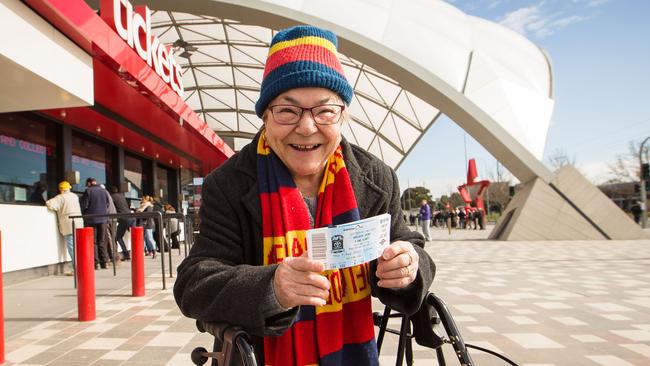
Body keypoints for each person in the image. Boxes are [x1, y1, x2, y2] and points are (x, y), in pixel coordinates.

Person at [174, 25, 435, 366]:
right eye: (288, 110)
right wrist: (271, 287)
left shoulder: (375, 178)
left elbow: (410, 246)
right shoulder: (229, 184)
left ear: (343, 116)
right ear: (266, 116)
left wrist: (409, 266)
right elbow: (194, 282)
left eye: (325, 110)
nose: (307, 127)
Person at [45, 181, 82, 274]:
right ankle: (83, 266)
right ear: (69, 188)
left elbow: (49, 204)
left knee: (72, 247)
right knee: (79, 246)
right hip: (79, 222)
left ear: (60, 189)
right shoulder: (75, 196)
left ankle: (77, 269)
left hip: (68, 224)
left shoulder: (60, 197)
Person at [80, 177, 110, 269]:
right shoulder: (104, 191)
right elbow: (107, 204)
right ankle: (104, 262)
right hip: (103, 220)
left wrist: (83, 214)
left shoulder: (88, 191)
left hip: (91, 219)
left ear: (89, 183)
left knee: (93, 242)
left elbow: (84, 205)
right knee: (102, 241)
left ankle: (96, 263)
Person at [111, 186, 133, 260]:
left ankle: (125, 254)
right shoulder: (122, 196)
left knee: (118, 237)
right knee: (135, 236)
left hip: (123, 218)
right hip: (131, 216)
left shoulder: (112, 197)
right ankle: (138, 252)